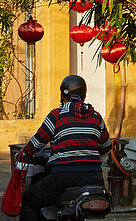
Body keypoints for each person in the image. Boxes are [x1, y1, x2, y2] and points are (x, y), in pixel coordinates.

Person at [17, 75, 110, 221]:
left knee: (29, 201)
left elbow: (36, 143)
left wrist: (23, 154)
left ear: (63, 95)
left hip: (63, 176)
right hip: (95, 177)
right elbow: (106, 146)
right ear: (84, 95)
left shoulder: (57, 115)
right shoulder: (96, 117)